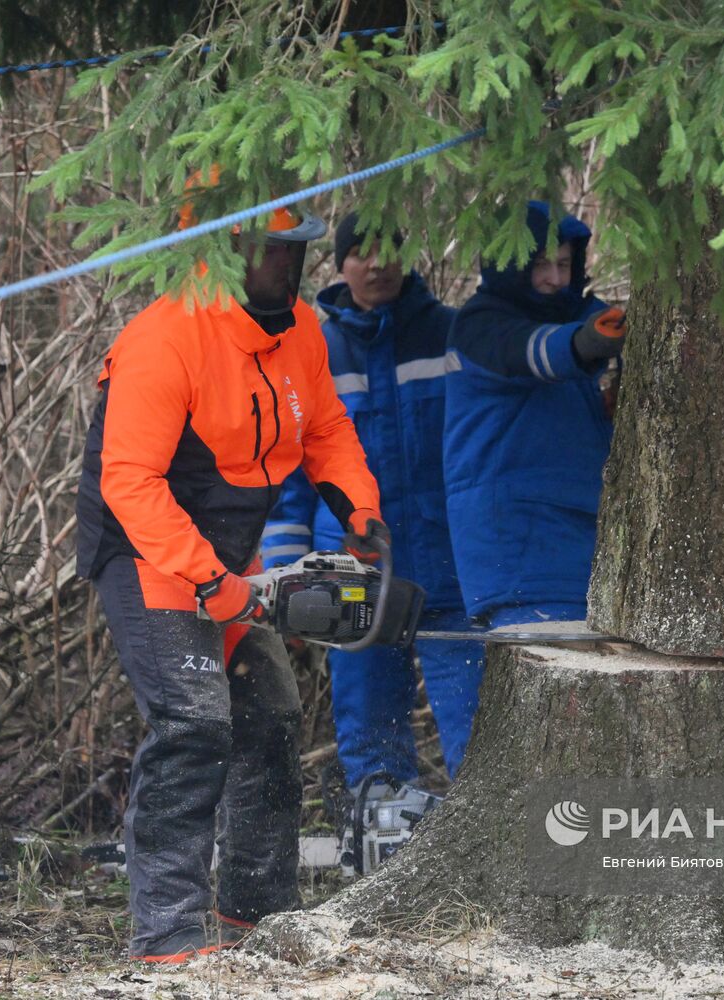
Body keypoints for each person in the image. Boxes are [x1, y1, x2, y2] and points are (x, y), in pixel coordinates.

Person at [75, 204, 388, 963]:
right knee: (193, 724)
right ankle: (168, 930)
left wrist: (360, 510)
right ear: (224, 251)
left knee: (272, 717)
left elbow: (324, 431)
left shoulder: (300, 333)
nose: (288, 266)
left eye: (294, 252)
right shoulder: (165, 336)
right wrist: (209, 580)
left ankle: (257, 907)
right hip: (147, 548)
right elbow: (130, 480)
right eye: (271, 252)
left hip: (231, 551)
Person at [262, 213, 482, 869]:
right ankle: (385, 860)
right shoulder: (315, 351)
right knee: (368, 723)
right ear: (339, 265)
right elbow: (288, 471)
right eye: (360, 253)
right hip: (351, 576)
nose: (376, 265)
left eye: (389, 248)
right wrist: (283, 573)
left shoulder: (449, 334)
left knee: (473, 719)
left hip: (448, 568)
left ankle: (483, 858)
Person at [443, 200, 626, 627]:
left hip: (580, 541)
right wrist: (584, 345)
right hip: (521, 549)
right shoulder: (480, 325)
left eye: (564, 264)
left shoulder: (579, 312)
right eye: (541, 265)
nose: (555, 279)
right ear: (511, 263)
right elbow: (535, 351)